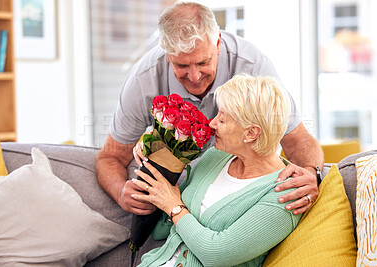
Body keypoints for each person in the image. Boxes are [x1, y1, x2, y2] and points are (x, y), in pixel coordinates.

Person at [95, 1, 323, 219]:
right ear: (167, 55)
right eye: (181, 65)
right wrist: (121, 192)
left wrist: (311, 173)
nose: (194, 77)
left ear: (218, 44)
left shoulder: (254, 67)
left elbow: (298, 141)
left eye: (203, 62)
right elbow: (110, 156)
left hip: (241, 195)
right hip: (174, 198)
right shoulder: (144, 78)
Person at [131, 74, 302, 266]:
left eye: (222, 119)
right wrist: (156, 154)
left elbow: (216, 254)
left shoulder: (284, 195)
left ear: (251, 133)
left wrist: (174, 207)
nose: (212, 124)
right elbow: (160, 230)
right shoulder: (215, 157)